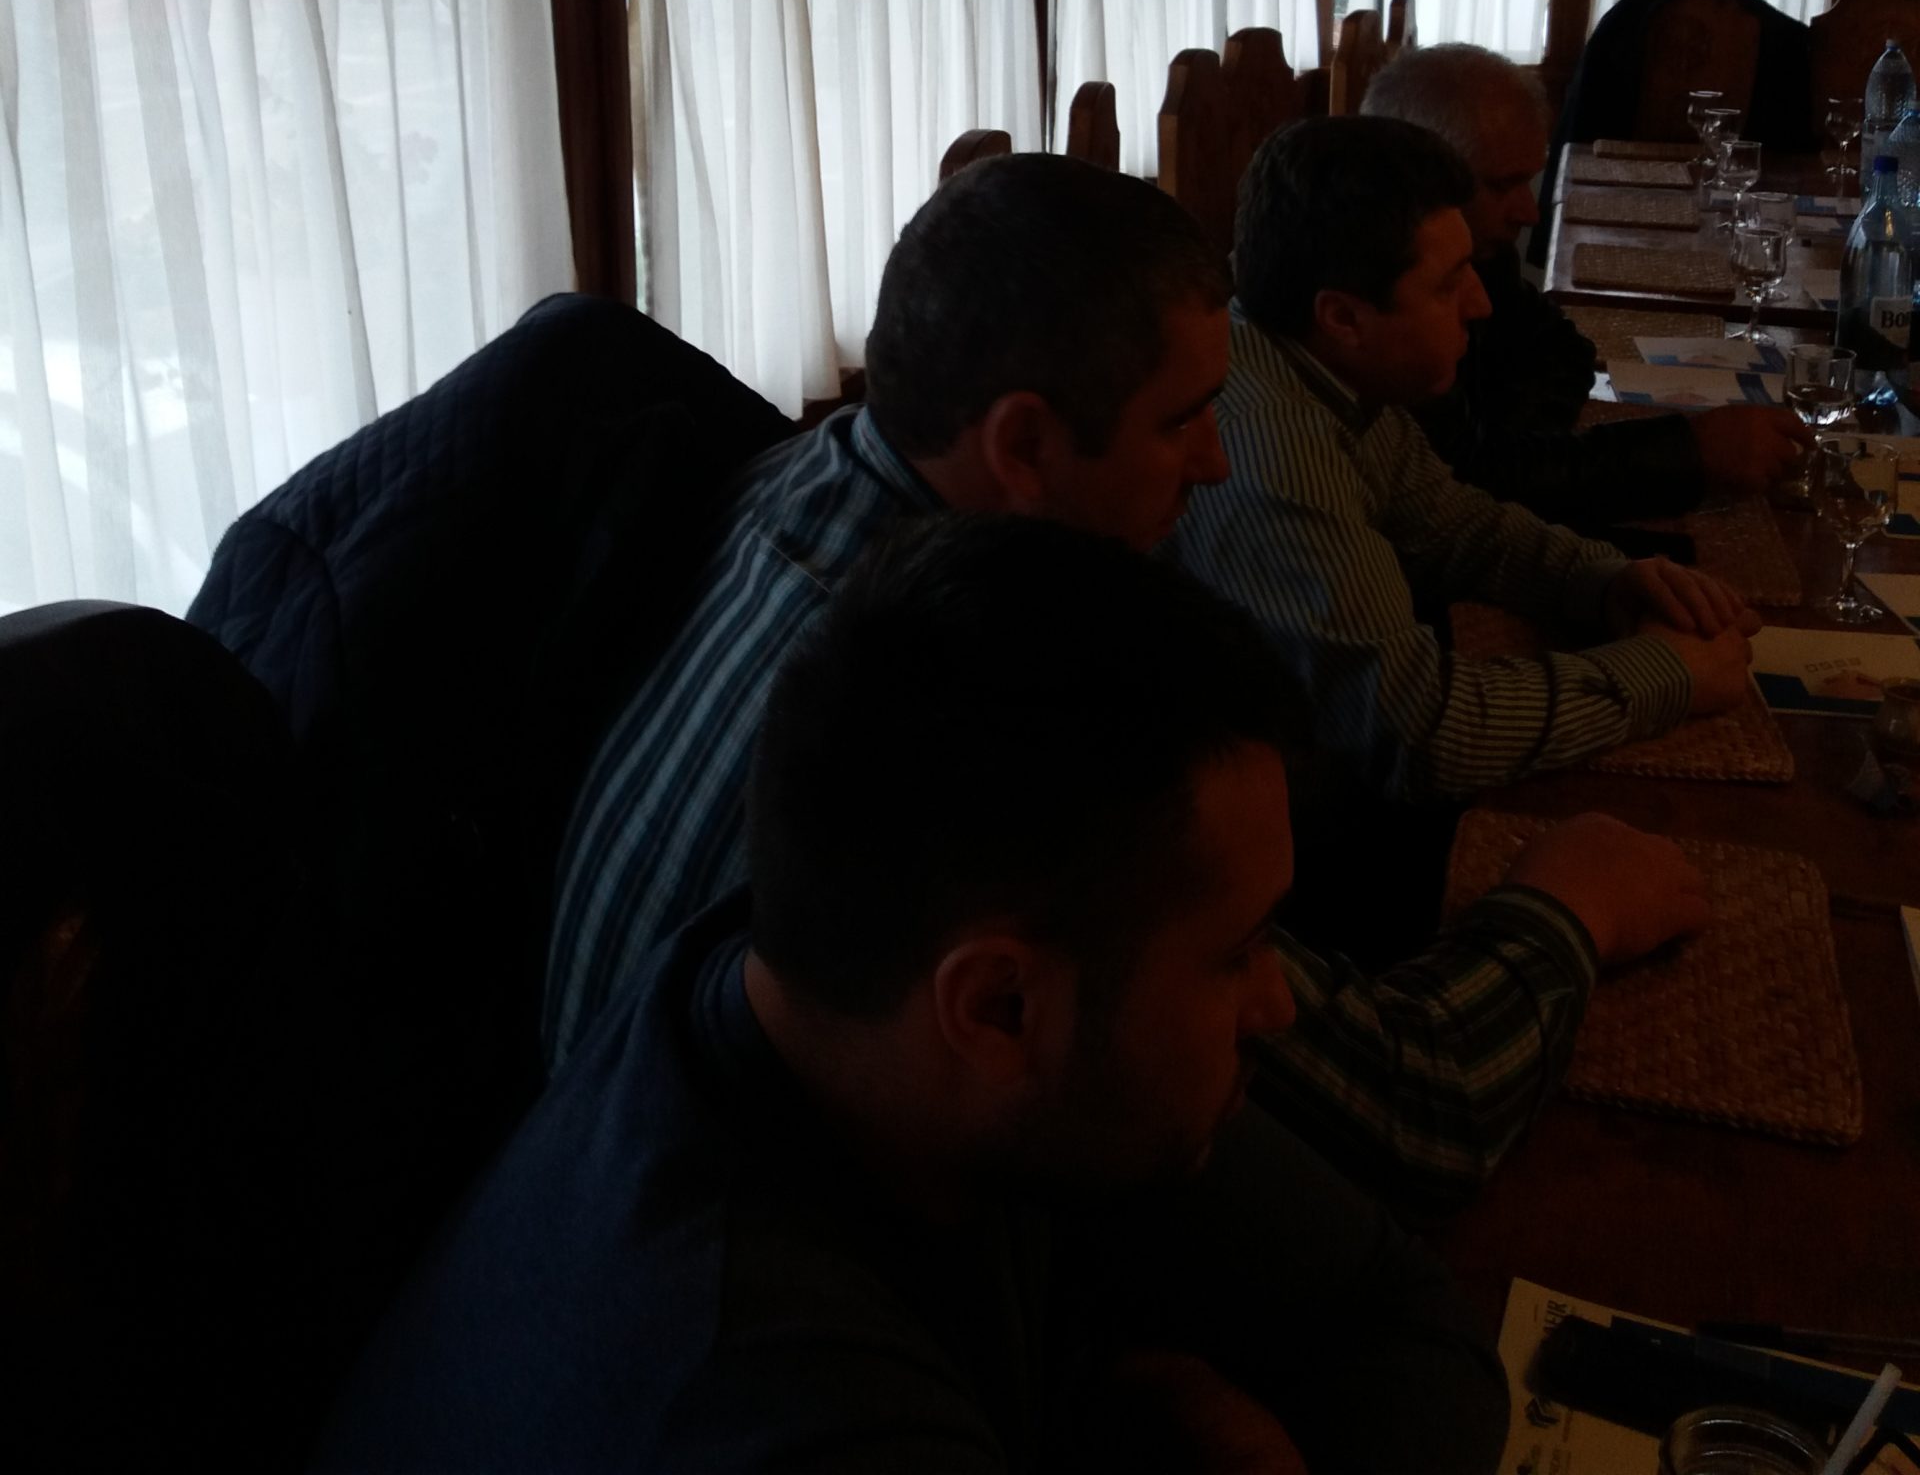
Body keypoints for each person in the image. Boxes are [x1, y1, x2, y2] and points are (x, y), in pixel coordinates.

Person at [548, 154, 1708, 1211]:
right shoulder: (985, 695)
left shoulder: (798, 478)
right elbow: (1423, 1108)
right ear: (1023, 446)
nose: (1215, 461)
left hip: (598, 1150)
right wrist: (1571, 903)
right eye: (1182, 421)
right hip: (755, 1242)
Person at [319, 519, 1517, 1475]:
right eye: (1239, 952)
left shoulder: (835, 996)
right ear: (996, 1009)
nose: (1279, 1004)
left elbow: (1400, 1315)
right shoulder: (764, 1398)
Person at [1173, 116, 1760, 808]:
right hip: (1273, 818)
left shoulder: (1329, 373)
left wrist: (1604, 579)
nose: (1480, 304)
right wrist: (1666, 674)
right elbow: (1420, 735)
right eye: (1449, 285)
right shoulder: (1275, 447)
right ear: (1344, 318)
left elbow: (1452, 526)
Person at [1361, 43, 1804, 526]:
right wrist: (1690, 452)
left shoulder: (1479, 252)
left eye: (1527, 181)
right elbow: (1470, 484)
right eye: (1502, 185)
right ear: (1415, 174)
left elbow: (1563, 350)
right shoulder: (1380, 299)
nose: (1528, 213)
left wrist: (1522, 446)